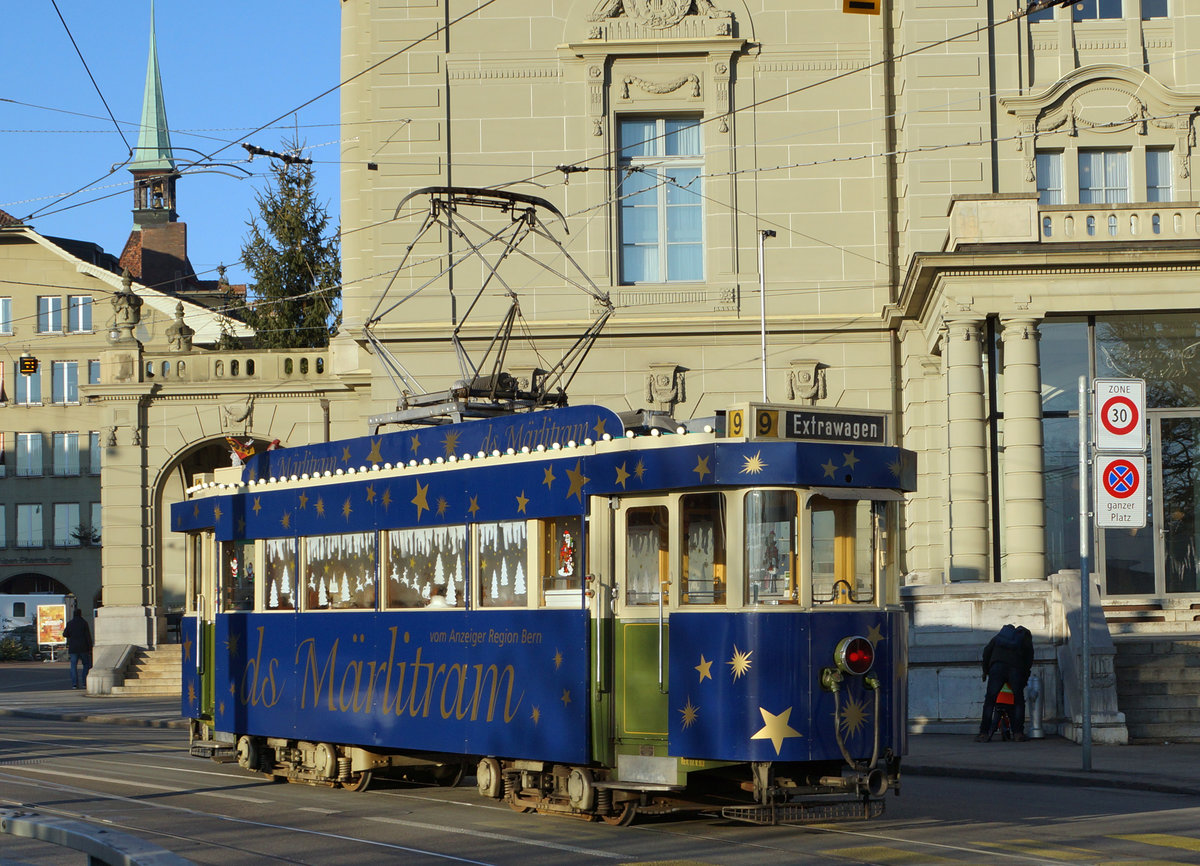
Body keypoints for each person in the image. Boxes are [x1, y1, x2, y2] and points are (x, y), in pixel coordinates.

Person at [976, 623, 1034, 742]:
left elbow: (986, 652)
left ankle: (983, 733)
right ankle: (1018, 733)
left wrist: (985, 670)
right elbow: (1028, 661)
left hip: (997, 667)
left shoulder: (1000, 637)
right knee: (1018, 701)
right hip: (1015, 668)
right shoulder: (1024, 639)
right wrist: (1024, 677)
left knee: (990, 701)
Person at [63, 610, 93, 690]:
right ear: (81, 614)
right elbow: (88, 636)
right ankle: (84, 683)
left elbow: (64, 634)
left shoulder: (70, 623)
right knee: (86, 665)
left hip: (73, 648)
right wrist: (90, 648)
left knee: (73, 666)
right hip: (83, 647)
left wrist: (71, 635)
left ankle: (74, 684)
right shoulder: (84, 623)